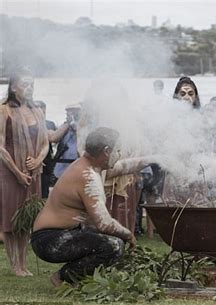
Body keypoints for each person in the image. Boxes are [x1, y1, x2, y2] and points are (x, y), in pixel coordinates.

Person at [31, 127, 157, 286]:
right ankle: (63, 278)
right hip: (49, 241)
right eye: (117, 151)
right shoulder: (87, 176)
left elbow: (124, 166)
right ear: (106, 151)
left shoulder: (93, 166)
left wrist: (155, 158)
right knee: (114, 245)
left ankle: (75, 277)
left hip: (61, 234)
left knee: (114, 240)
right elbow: (104, 223)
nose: (119, 155)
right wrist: (129, 235)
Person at [0, 71, 49, 276]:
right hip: (10, 171)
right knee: (12, 218)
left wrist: (38, 160)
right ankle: (15, 265)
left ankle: (23, 262)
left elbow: (46, 142)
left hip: (32, 171)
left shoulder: (37, 110)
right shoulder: (4, 110)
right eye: (25, 84)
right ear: (13, 87)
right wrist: (17, 172)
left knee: (27, 218)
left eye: (32, 84)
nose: (30, 87)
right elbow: (0, 146)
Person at [53, 103, 82, 180]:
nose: (72, 114)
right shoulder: (64, 126)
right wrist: (68, 124)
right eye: (69, 112)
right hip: (62, 168)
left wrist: (77, 125)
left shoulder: (84, 127)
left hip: (78, 167)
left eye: (74, 112)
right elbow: (54, 138)